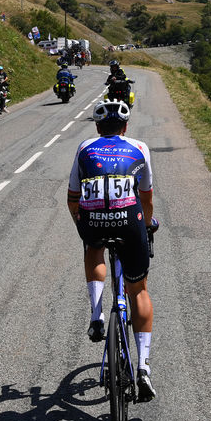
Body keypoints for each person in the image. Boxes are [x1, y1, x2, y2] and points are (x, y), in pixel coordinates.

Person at [67, 100, 157, 402]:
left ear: (97, 127)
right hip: (130, 221)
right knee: (139, 290)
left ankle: (97, 315)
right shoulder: (140, 147)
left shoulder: (84, 147)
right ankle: (143, 367)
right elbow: (146, 199)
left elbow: (72, 198)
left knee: (93, 250)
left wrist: (85, 225)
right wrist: (146, 226)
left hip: (93, 219)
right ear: (126, 127)